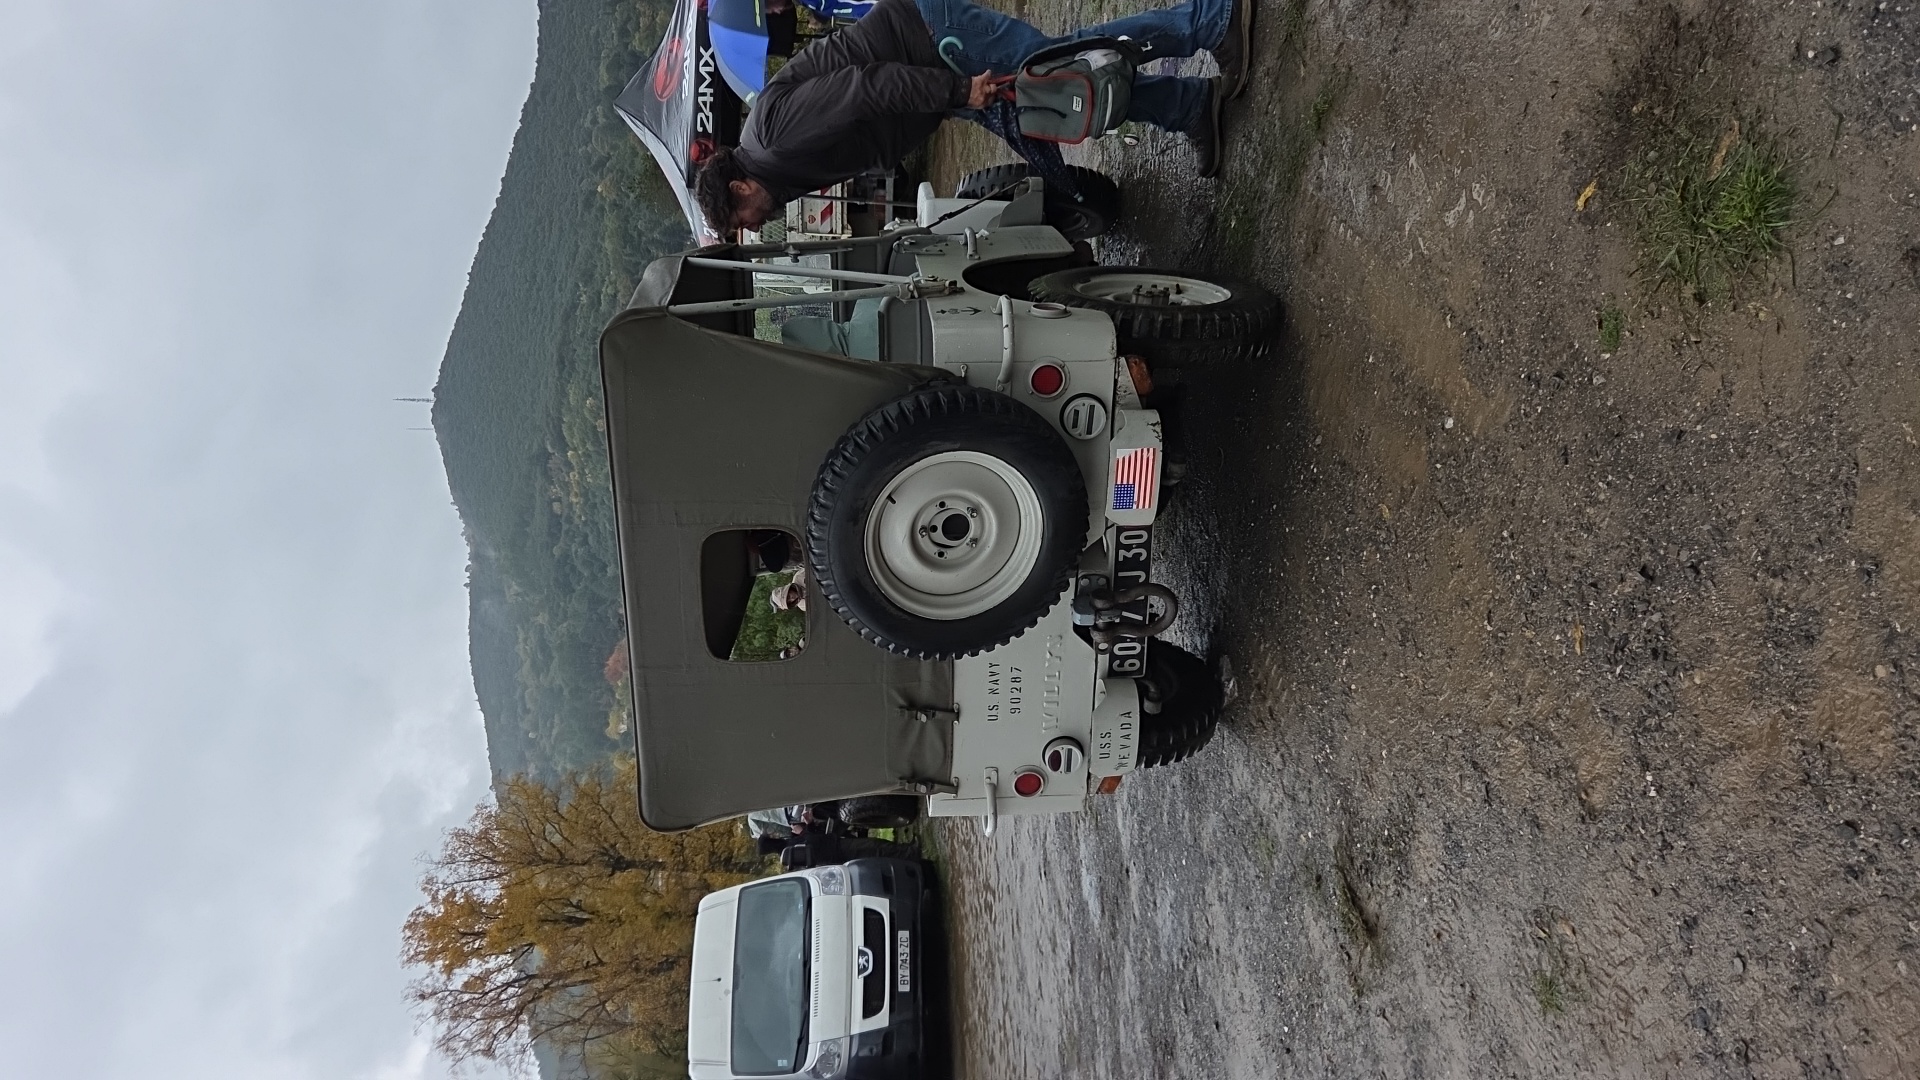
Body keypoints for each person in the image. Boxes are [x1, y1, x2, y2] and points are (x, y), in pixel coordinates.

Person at [695, 0, 1254, 234]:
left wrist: (959, 86)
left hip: (935, 45)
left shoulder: (771, 138)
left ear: (740, 185)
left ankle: (1211, 19)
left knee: (1069, 69)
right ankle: (1190, 108)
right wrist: (951, 98)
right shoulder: (779, 169)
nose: (751, 226)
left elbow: (865, 89)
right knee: (1062, 105)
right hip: (936, 79)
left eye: (740, 217)